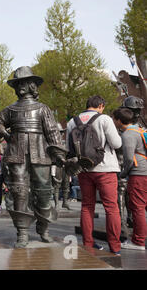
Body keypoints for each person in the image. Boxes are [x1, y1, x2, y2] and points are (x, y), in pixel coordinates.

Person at [0, 66, 66, 248]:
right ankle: (22, 233)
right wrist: (6, 135)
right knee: (19, 193)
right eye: (17, 83)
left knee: (44, 192)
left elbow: (53, 132)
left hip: (41, 154)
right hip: (17, 155)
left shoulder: (42, 109)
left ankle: (43, 228)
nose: (20, 86)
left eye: (24, 83)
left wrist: (59, 154)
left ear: (32, 85)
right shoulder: (10, 109)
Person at [66, 95, 122, 255]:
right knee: (111, 207)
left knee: (87, 206)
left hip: (83, 169)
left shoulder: (72, 122)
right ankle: (115, 246)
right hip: (106, 168)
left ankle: (88, 243)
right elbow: (117, 143)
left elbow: (68, 147)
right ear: (101, 105)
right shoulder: (104, 119)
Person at [113, 107, 147, 251]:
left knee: (137, 208)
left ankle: (138, 241)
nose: (114, 122)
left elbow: (128, 159)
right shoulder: (141, 130)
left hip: (138, 174)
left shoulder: (128, 135)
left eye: (115, 119)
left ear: (120, 121)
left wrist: (122, 173)